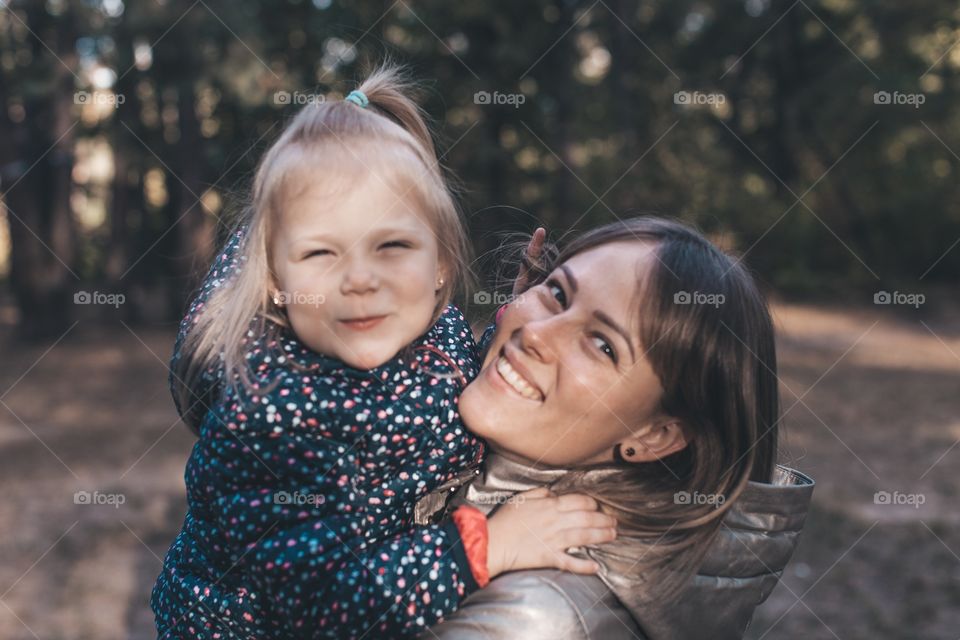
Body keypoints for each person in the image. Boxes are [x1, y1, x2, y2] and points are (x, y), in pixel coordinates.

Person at [150, 65, 616, 640]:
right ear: (274, 278)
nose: (361, 280)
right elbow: (322, 604)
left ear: (441, 265)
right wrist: (486, 547)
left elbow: (451, 385)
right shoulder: (269, 415)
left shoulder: (435, 333)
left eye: (392, 246)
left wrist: (520, 323)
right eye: (322, 253)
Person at [422, 217, 815, 639]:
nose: (535, 333)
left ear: (654, 436)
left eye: (603, 345)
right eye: (557, 293)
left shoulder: (535, 619)